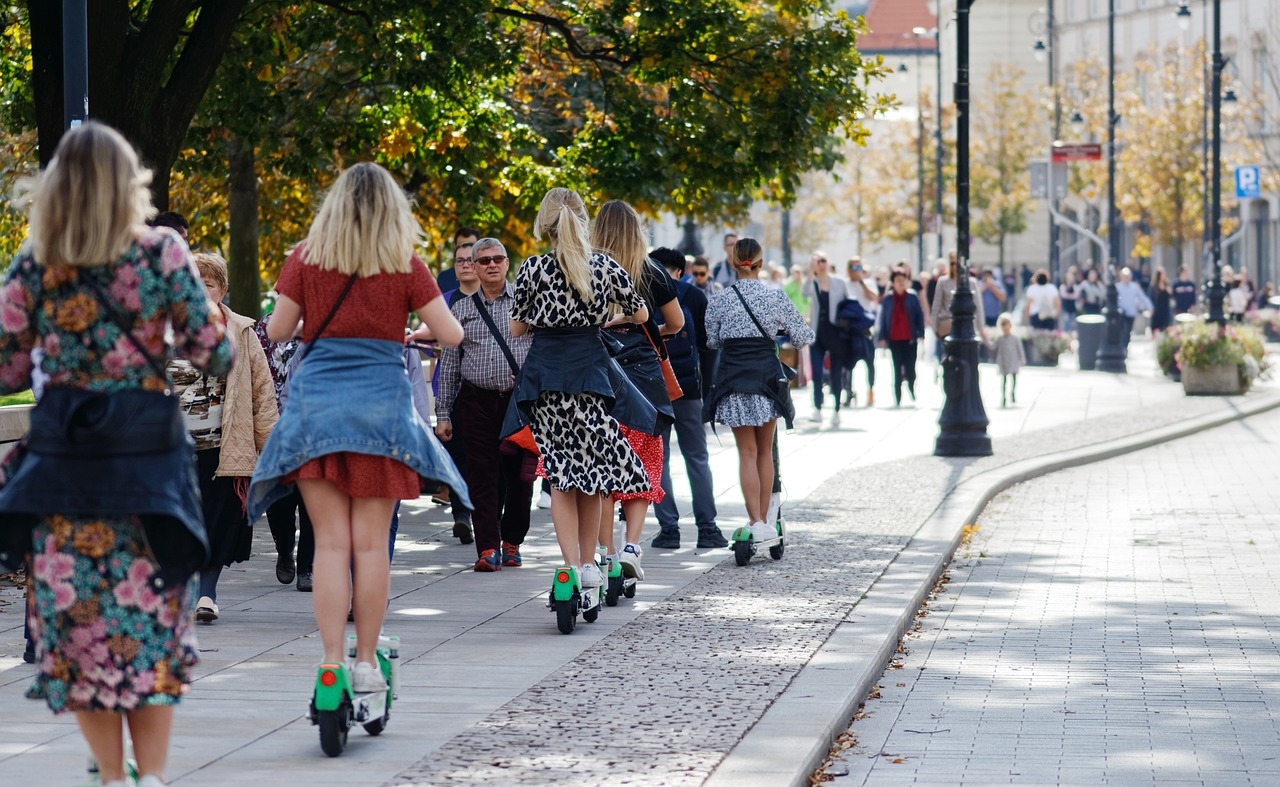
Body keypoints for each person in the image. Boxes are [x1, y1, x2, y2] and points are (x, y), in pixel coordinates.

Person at [0, 121, 234, 787]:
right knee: (151, 617)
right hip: (148, 471)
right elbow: (214, 352)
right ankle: (152, 776)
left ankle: (111, 774)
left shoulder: (38, 261)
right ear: (129, 184)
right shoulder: (163, 252)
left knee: (80, 628)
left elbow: (7, 363)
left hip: (64, 473)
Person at [249, 162, 467, 695]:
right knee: (370, 546)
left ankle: (329, 660)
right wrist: (402, 327)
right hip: (382, 411)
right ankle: (366, 661)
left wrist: (318, 323)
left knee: (329, 544)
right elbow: (452, 335)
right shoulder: (404, 263)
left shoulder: (305, 258)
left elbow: (276, 331)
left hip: (316, 407)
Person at [505, 187, 653, 592]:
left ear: (545, 223)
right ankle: (590, 564)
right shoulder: (603, 266)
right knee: (592, 474)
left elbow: (517, 328)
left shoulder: (533, 269)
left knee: (560, 475)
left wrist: (546, 319)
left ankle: (570, 564)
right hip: (591, 375)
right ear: (583, 219)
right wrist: (607, 315)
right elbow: (641, 312)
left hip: (546, 379)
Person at [172, 253, 278, 624]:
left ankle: (207, 593)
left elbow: (263, 393)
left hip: (222, 445)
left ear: (224, 290)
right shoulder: (163, 330)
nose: (200, 290)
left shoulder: (241, 332)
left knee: (218, 520)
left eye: (209, 283)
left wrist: (271, 446)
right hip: (171, 446)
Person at [590, 200, 680, 581]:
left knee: (602, 464)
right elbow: (675, 324)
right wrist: (645, 330)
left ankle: (606, 552)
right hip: (643, 371)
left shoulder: (586, 268)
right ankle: (632, 546)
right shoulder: (653, 270)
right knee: (645, 460)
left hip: (600, 368)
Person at [435, 238, 535, 571]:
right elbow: (448, 364)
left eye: (497, 259)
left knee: (521, 478)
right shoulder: (460, 309)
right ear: (474, 267)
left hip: (518, 405)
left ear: (507, 263)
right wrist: (443, 413)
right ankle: (488, 548)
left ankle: (512, 542)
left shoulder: (526, 303)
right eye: (484, 260)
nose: (491, 265)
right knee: (482, 476)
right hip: (476, 402)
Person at [703, 238, 813, 542]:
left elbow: (711, 340)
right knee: (765, 451)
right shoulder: (774, 297)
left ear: (735, 264)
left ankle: (753, 521)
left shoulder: (720, 299)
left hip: (734, 381)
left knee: (746, 453)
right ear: (760, 264)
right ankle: (766, 521)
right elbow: (803, 337)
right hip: (767, 381)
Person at [648, 247, 725, 550]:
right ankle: (708, 528)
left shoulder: (644, 294)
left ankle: (669, 530)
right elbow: (708, 349)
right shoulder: (693, 296)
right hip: (689, 389)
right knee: (697, 457)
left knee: (660, 459)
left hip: (654, 391)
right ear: (680, 271)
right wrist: (706, 392)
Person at [417, 241, 477, 543]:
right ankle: (462, 515)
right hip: (450, 387)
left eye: (469, 260)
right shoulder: (446, 300)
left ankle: (481, 513)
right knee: (456, 454)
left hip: (484, 388)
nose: (465, 265)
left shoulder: (493, 297)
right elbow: (426, 341)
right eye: (459, 261)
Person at [255, 308, 315, 591]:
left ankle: (307, 567)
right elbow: (255, 371)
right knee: (280, 500)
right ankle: (284, 550)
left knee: (313, 498)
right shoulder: (268, 325)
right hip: (274, 424)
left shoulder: (327, 316)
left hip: (312, 425)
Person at [805, 251, 849, 427]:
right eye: (817, 261)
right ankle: (817, 407)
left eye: (823, 260)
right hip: (817, 333)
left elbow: (847, 303)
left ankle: (837, 409)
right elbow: (804, 293)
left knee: (836, 373)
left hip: (836, 333)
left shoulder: (839, 282)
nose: (821, 264)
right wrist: (811, 272)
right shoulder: (812, 282)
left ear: (829, 262)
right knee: (816, 372)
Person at [877, 270, 926, 407]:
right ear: (893, 283)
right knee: (896, 368)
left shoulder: (912, 297)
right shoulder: (888, 299)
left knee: (911, 366)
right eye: (898, 281)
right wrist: (882, 336)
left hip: (910, 338)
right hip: (894, 339)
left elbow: (919, 316)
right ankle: (897, 396)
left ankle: (911, 386)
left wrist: (921, 332)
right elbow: (883, 319)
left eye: (903, 280)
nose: (901, 283)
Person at [844, 257, 879, 406]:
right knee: (848, 364)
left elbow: (873, 297)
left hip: (866, 330)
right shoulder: (844, 284)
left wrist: (861, 282)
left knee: (870, 362)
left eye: (859, 267)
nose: (856, 271)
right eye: (853, 267)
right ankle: (849, 393)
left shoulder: (868, 282)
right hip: (850, 330)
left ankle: (870, 391)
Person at [992, 313, 1026, 408]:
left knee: (1014, 378)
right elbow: (993, 347)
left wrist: (1022, 360)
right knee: (1004, 380)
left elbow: (1020, 350)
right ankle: (1004, 397)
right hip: (1003, 361)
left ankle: (1012, 393)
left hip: (1013, 360)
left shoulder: (1015, 338)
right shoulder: (1000, 338)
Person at [1114, 267, 1153, 345]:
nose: (1126, 278)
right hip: (1121, 313)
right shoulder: (1118, 287)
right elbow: (1116, 300)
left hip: (1131, 313)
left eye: (1128, 277)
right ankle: (1122, 347)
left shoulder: (1134, 287)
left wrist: (1150, 307)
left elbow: (1142, 297)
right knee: (1122, 331)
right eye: (1124, 277)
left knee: (1128, 331)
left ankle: (1125, 347)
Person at [434, 226, 480, 293]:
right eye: (462, 245)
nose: (466, 249)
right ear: (455, 247)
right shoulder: (444, 278)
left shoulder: (490, 277)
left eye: (471, 245)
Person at [1148, 266, 1174, 335]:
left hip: (1165, 309)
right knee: (1156, 328)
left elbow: (1171, 296)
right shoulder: (1154, 286)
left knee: (1165, 327)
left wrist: (1169, 291)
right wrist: (1151, 308)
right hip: (1157, 310)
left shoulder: (1167, 284)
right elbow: (1151, 297)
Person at [1059, 267, 1080, 332]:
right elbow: (1063, 295)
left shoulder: (1075, 286)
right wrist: (1071, 296)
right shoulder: (1063, 286)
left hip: (1073, 308)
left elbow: (1076, 296)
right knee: (1066, 323)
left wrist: (1068, 295)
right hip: (1065, 307)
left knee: (1072, 324)